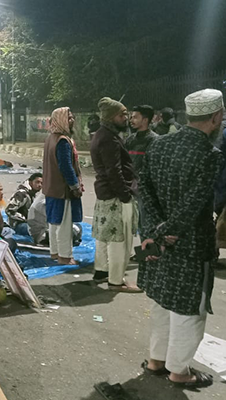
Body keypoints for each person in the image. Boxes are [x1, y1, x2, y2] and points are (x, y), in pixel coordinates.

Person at [139, 89, 224, 388]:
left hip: (162, 243)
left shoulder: (160, 145)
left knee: (163, 301)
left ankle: (156, 361)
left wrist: (155, 230)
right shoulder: (209, 154)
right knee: (189, 307)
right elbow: (194, 203)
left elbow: (144, 188)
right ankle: (179, 371)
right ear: (216, 118)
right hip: (190, 244)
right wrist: (168, 231)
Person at [90, 97, 139, 292]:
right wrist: (125, 195)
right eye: (122, 114)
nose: (125, 118)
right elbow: (114, 171)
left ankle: (101, 271)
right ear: (111, 117)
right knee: (120, 239)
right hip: (115, 195)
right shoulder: (109, 138)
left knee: (104, 235)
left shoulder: (103, 135)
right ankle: (116, 281)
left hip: (105, 193)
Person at [42, 107, 83, 265]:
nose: (72, 121)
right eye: (69, 118)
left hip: (51, 188)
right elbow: (66, 167)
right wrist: (75, 186)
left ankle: (55, 253)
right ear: (61, 120)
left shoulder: (50, 138)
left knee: (54, 222)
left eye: (72, 117)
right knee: (65, 224)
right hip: (62, 189)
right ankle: (65, 257)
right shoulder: (63, 141)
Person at [125, 105, 158, 175]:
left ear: (145, 120)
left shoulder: (155, 140)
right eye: (131, 117)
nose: (131, 120)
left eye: (135, 117)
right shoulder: (130, 139)